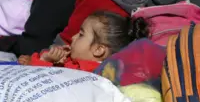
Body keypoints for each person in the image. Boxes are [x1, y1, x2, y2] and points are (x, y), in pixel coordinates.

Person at [19, 11, 149, 72]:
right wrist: (49, 58)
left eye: (81, 34)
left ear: (98, 50)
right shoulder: (76, 64)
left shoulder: (90, 73)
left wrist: (43, 62)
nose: (73, 37)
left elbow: (49, 81)